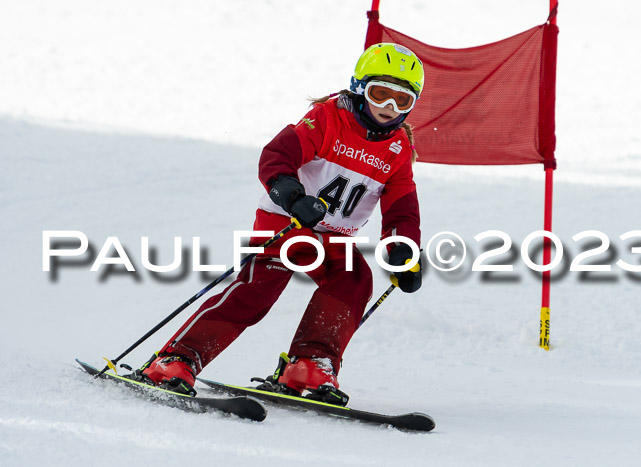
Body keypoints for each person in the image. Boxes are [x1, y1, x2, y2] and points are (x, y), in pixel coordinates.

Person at [136, 43, 425, 405]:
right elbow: (277, 155)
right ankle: (176, 359)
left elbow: (402, 209)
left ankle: (309, 364)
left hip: (333, 237)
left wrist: (403, 251)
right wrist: (292, 195)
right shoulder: (327, 118)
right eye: (380, 94)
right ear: (358, 87)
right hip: (287, 223)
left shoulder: (398, 150)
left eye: (402, 101)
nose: (389, 109)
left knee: (354, 280)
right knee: (258, 290)